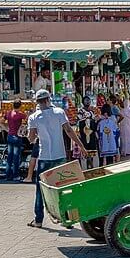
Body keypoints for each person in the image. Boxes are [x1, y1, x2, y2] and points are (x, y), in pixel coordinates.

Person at [27, 89, 87, 228]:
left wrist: (33, 136)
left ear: (37, 102)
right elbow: (69, 130)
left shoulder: (34, 117)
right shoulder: (59, 112)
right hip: (60, 155)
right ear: (48, 100)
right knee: (63, 187)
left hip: (44, 157)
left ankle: (38, 220)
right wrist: (81, 146)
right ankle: (68, 220)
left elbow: (31, 138)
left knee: (40, 189)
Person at [5, 100, 27, 181]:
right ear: (20, 106)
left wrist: (7, 129)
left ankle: (7, 175)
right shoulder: (20, 115)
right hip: (17, 137)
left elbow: (0, 121)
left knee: (9, 157)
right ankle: (16, 176)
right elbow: (28, 118)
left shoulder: (8, 113)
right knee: (16, 157)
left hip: (10, 136)